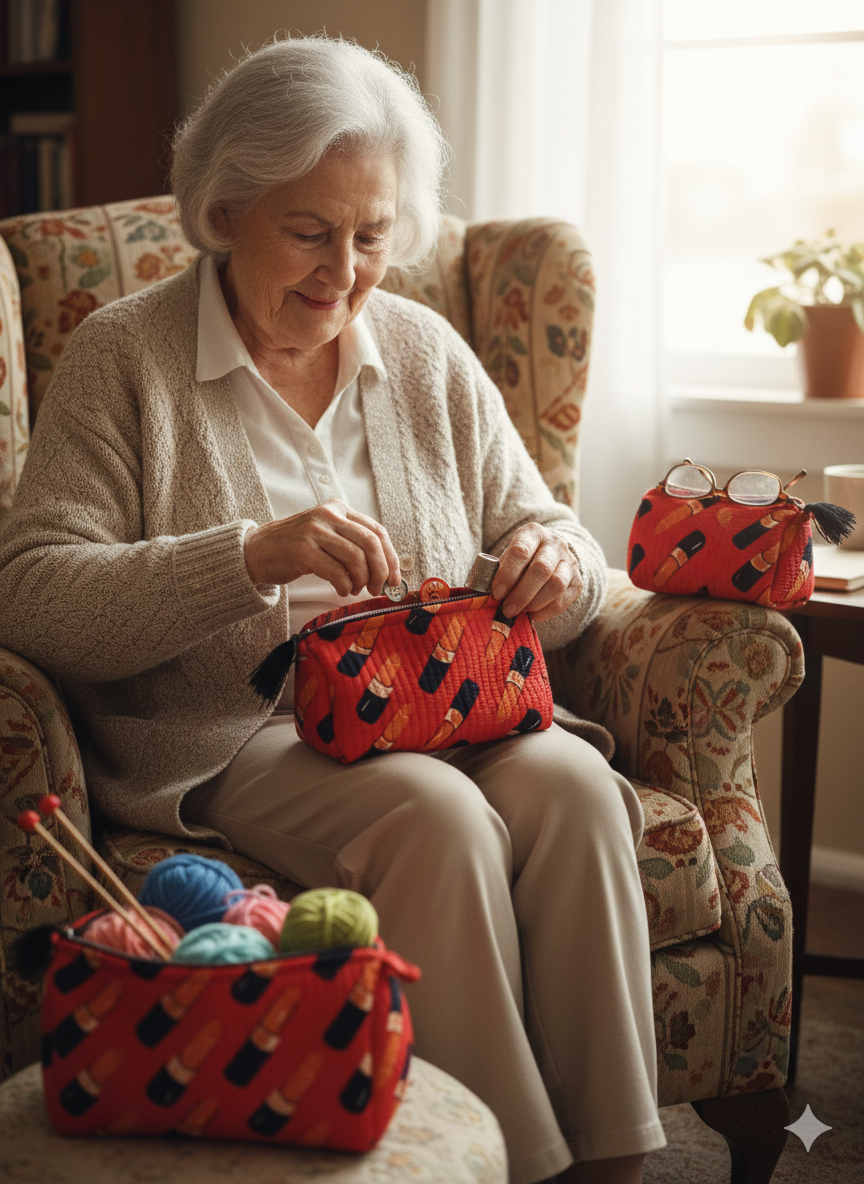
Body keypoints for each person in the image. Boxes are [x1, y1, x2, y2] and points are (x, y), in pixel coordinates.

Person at [0, 36, 664, 1184]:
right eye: (309, 231)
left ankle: (617, 1158)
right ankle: (500, 1162)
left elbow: (543, 526)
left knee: (575, 785)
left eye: (371, 235)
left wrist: (555, 556)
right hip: (233, 729)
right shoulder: (125, 358)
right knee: (433, 818)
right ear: (226, 207)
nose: (344, 270)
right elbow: (34, 590)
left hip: (438, 702)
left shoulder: (422, 349)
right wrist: (247, 554)